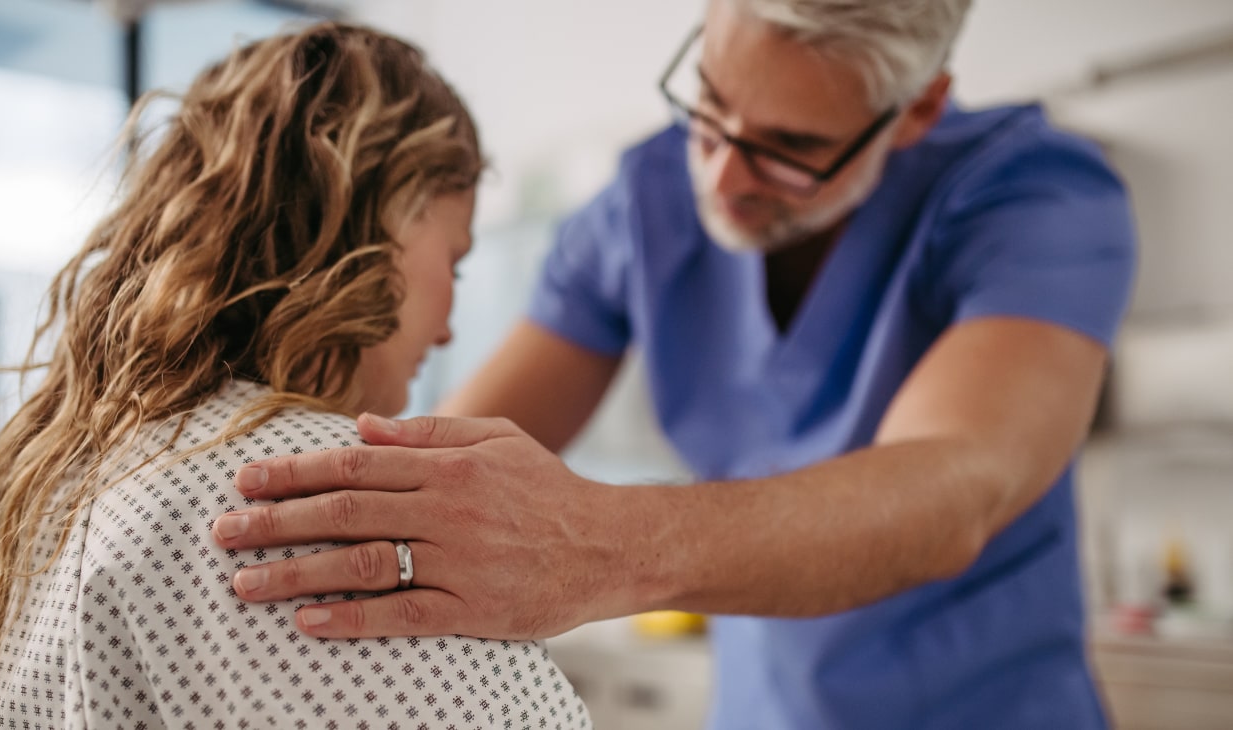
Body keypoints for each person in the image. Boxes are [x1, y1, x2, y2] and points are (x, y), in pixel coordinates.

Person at [209, 0, 1137, 727]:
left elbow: (954, 491)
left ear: (916, 110)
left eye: (791, 148)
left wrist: (598, 543)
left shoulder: (1034, 198)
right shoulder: (642, 202)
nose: (722, 178)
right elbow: (427, 466)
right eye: (711, 102)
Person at [0, 23, 592, 730]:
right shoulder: (337, 504)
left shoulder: (43, 487)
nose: (447, 328)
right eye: (454, 261)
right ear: (381, 219)